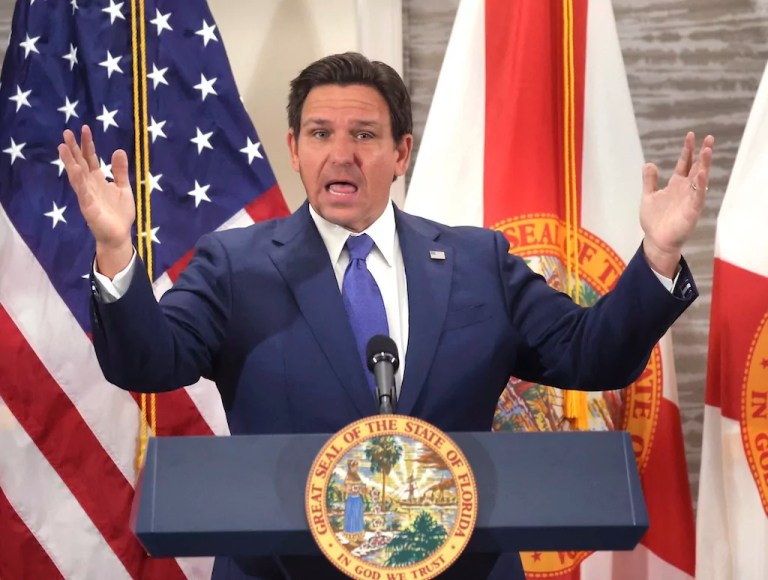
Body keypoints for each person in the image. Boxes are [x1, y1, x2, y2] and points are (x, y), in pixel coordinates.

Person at [58, 52, 713, 580]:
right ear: (294, 147)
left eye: (364, 135)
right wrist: (117, 251)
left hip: (460, 567)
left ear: (400, 154)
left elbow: (591, 353)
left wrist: (657, 254)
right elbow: (147, 361)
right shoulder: (235, 266)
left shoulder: (475, 261)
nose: (340, 154)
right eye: (320, 134)